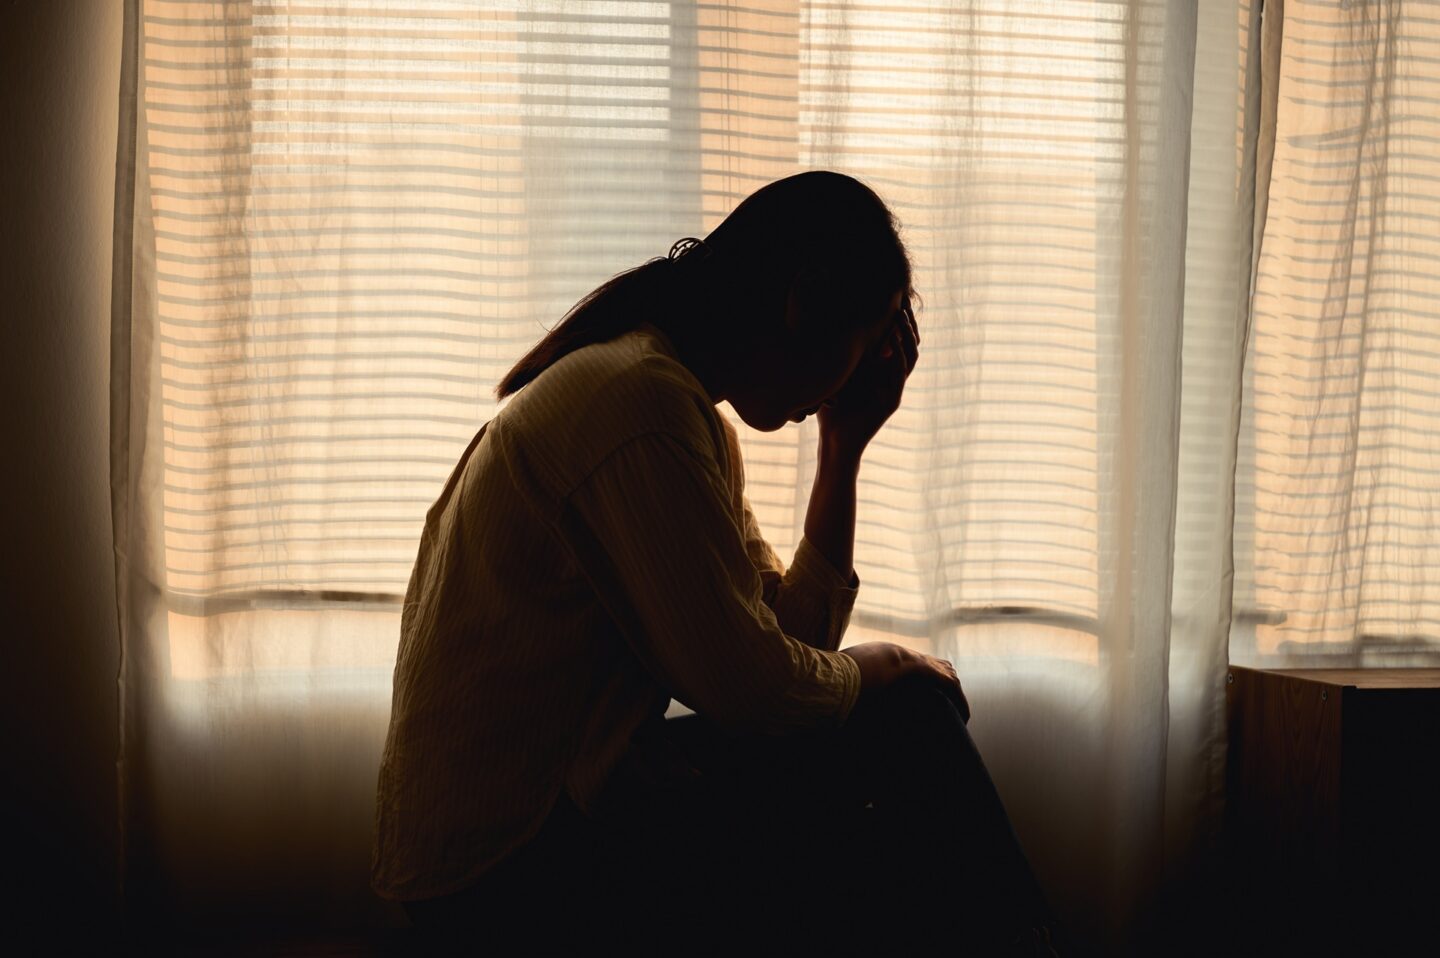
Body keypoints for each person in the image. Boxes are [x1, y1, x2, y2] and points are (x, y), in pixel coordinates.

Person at [371, 170, 1062, 955]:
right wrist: (888, 663)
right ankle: (1032, 939)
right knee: (899, 761)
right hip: (502, 872)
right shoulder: (640, 407)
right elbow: (754, 689)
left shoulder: (678, 408)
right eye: (861, 353)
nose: (847, 384)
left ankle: (1027, 937)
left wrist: (843, 451)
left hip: (556, 819)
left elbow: (795, 648)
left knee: (899, 744)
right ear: (804, 303)